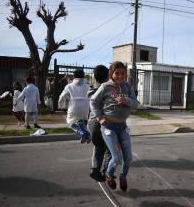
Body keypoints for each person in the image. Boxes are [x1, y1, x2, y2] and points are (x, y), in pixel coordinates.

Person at [90, 61, 138, 191]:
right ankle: (109, 175)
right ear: (111, 73)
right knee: (116, 158)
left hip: (122, 127)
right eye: (117, 73)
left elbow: (136, 103)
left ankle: (123, 176)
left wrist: (126, 100)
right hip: (109, 128)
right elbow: (93, 102)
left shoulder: (128, 87)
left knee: (128, 157)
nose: (120, 76)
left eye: (123, 73)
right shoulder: (105, 87)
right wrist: (99, 117)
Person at [87, 65, 111, 182]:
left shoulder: (91, 90)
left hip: (91, 124)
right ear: (108, 76)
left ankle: (95, 170)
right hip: (102, 123)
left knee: (99, 147)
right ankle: (106, 171)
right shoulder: (106, 91)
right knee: (110, 149)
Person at [58, 69, 90, 143]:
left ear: (74, 76)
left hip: (74, 106)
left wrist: (60, 104)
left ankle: (82, 133)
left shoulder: (69, 86)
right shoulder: (88, 86)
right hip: (85, 107)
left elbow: (62, 96)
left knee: (70, 122)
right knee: (82, 121)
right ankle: (86, 136)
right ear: (83, 76)